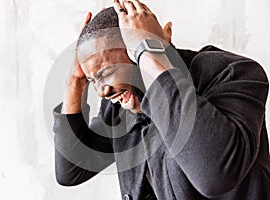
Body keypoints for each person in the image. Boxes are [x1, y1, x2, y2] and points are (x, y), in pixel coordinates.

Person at [52, 0, 270, 199]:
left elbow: (215, 175)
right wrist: (76, 81)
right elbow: (71, 170)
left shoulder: (231, 73)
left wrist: (149, 53)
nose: (102, 92)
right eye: (93, 80)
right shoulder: (120, 107)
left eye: (107, 73)